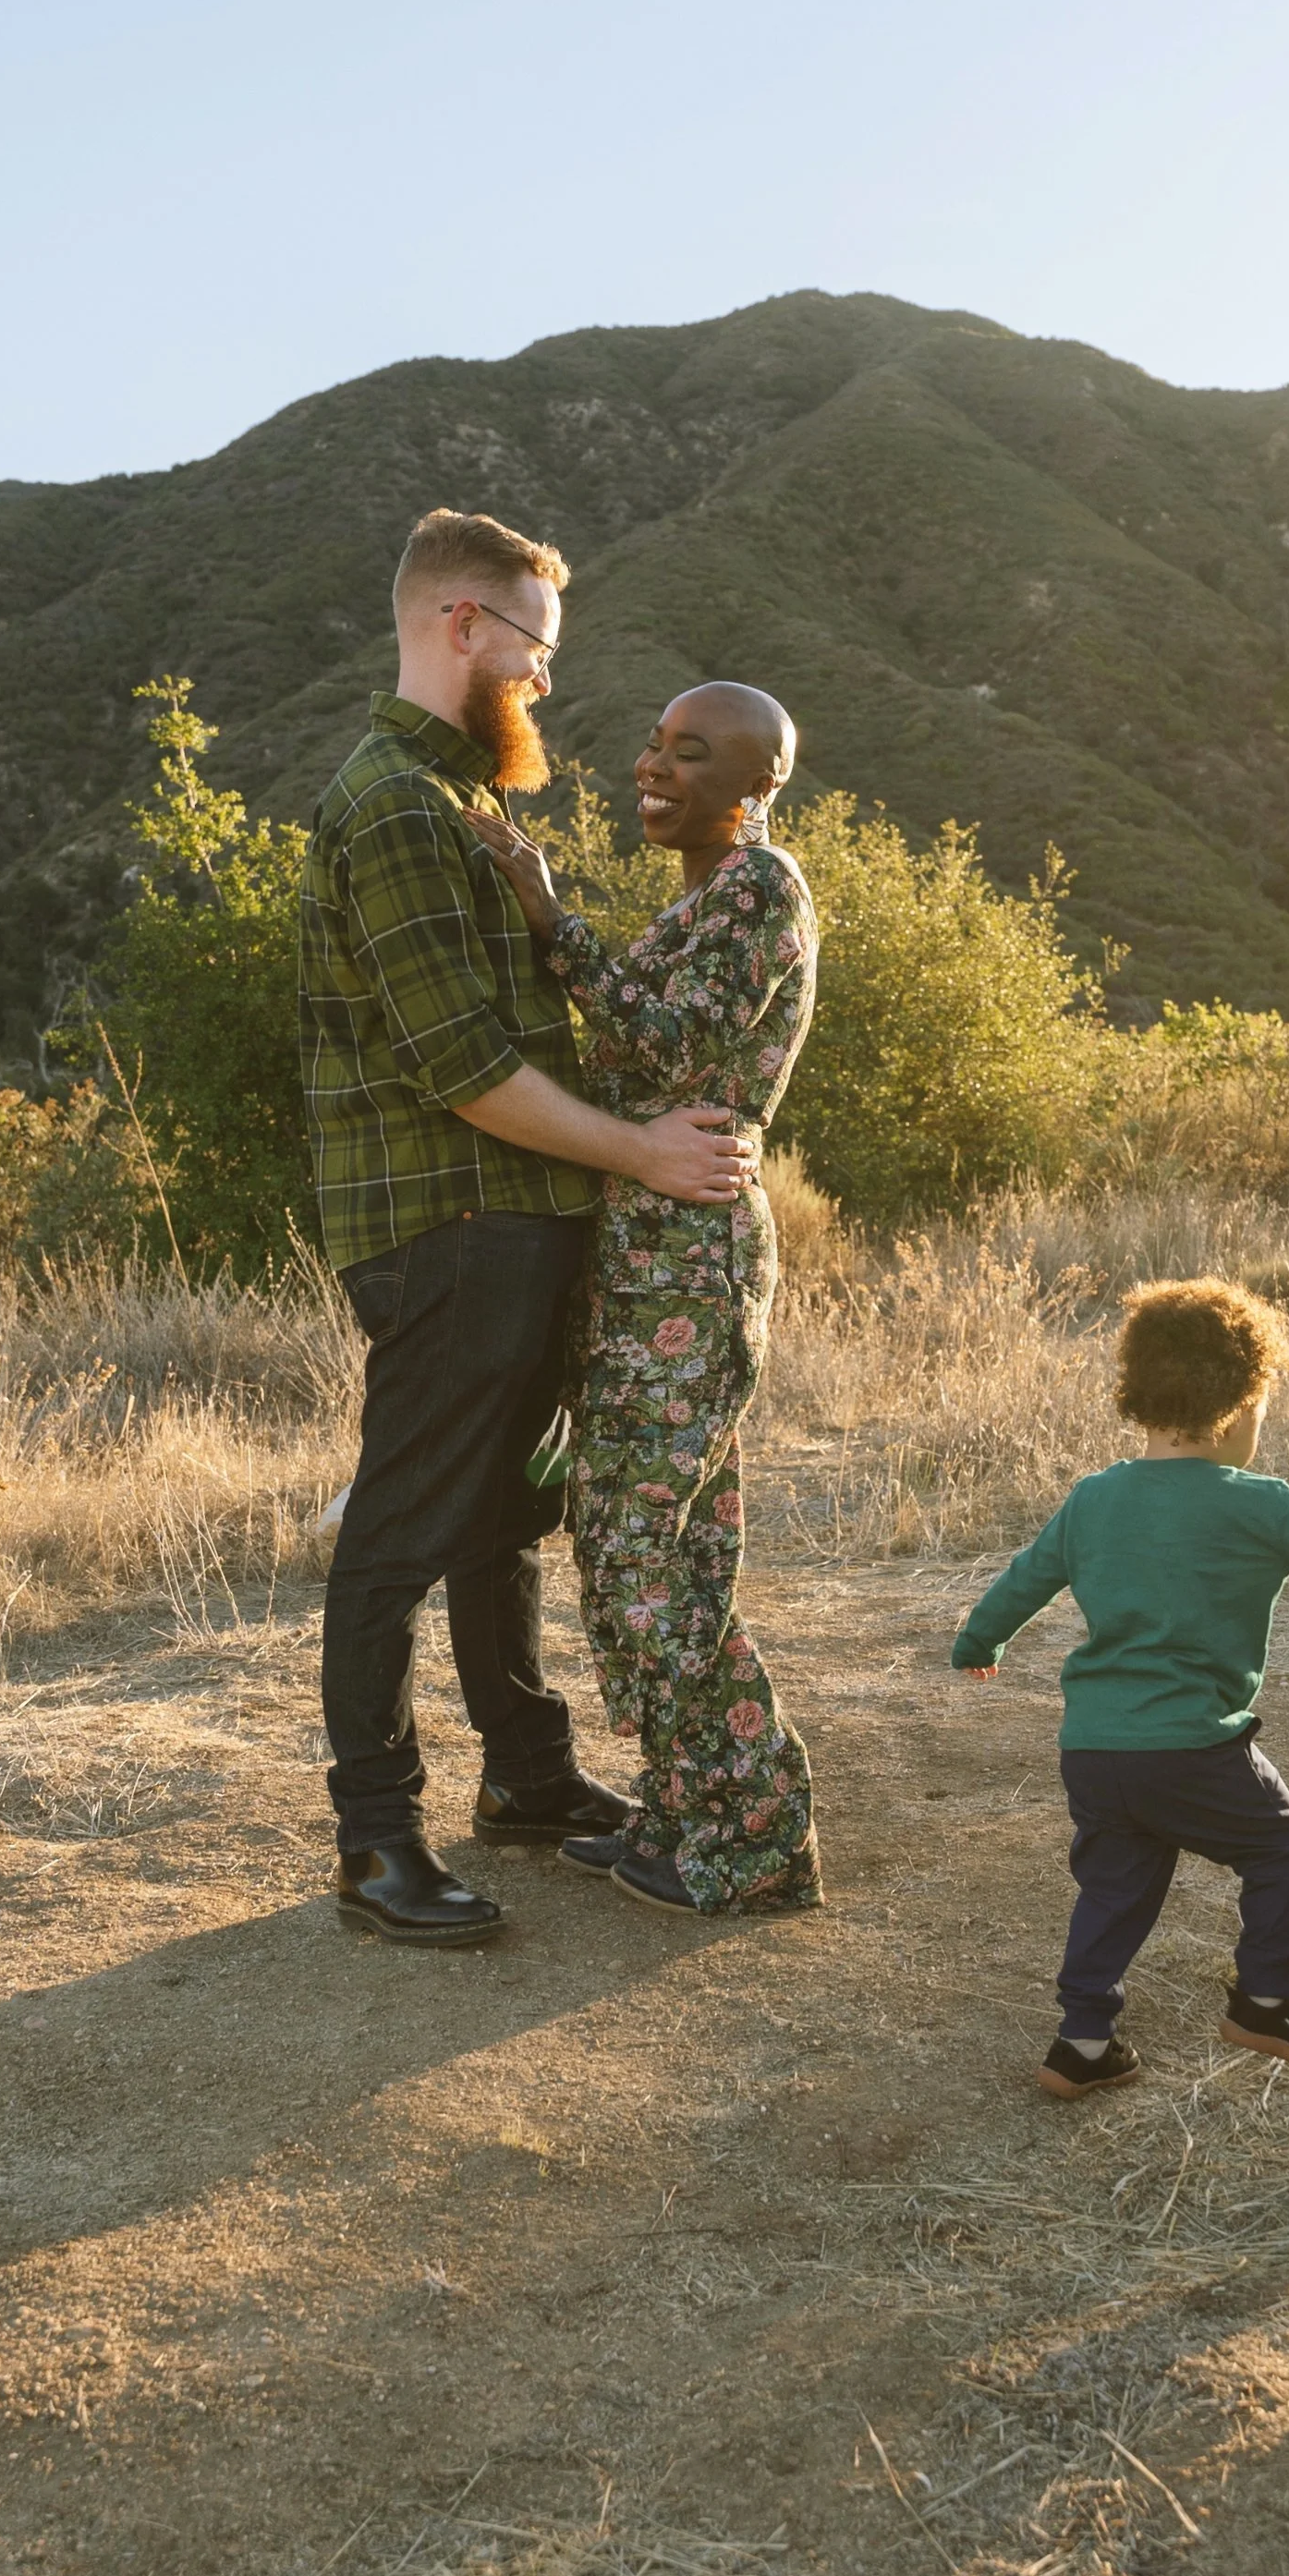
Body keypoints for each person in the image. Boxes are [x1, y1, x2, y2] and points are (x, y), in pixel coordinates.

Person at [300, 509, 756, 1949]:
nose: (547, 684)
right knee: (399, 1528)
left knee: (499, 1518)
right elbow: (465, 1069)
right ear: (462, 629)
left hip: (511, 1218)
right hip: (448, 1219)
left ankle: (529, 1779)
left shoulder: (461, 812)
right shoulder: (389, 808)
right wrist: (645, 1153)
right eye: (536, 651)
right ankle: (377, 1844)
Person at [472, 682, 822, 1919]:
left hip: (692, 1269)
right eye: (657, 746)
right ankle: (687, 1811)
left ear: (758, 783)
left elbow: (672, 1044)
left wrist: (552, 916)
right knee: (666, 1557)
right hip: (642, 1260)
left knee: (641, 1561)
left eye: (693, 753)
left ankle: (761, 1830)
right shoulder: (704, 896)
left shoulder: (762, 890)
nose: (654, 767)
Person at [952, 1279, 1289, 2098]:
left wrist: (980, 1641)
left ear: (1140, 1394)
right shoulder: (1253, 1505)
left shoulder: (1094, 1498)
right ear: (1236, 1405)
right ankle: (1263, 2000)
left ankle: (1081, 2040)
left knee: (1116, 1886)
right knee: (1280, 1847)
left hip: (1095, 1748)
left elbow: (1025, 1579)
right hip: (1191, 1744)